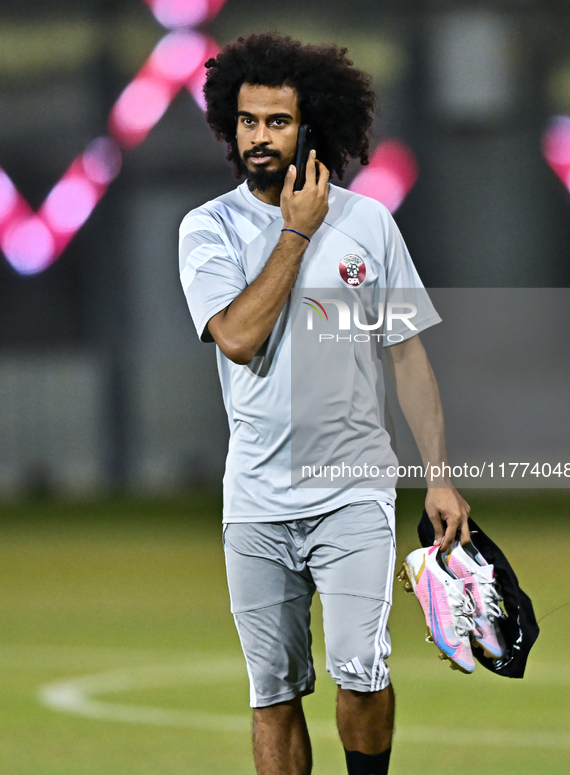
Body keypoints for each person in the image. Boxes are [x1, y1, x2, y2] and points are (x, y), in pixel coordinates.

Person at [179, 33, 470, 775]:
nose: (259, 137)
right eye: (247, 121)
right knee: (271, 692)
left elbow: (407, 356)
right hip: (254, 497)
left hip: (353, 491)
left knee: (360, 669)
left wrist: (438, 474)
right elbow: (239, 336)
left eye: (277, 122)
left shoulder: (368, 223)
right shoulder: (207, 228)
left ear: (313, 128)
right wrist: (295, 233)